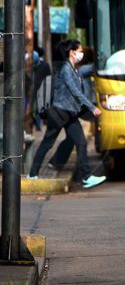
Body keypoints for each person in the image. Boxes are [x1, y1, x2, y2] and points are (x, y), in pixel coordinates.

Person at [27, 40, 106, 189]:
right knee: (47, 143)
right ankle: (32, 174)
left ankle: (86, 177)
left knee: (81, 142)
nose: (81, 53)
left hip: (69, 114)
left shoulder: (72, 69)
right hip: (59, 113)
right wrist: (92, 108)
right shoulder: (65, 69)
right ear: (72, 52)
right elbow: (76, 92)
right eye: (80, 50)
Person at [47, 47, 97, 171]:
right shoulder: (84, 69)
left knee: (72, 137)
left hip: (75, 107)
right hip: (81, 107)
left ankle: (56, 161)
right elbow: (96, 67)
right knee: (103, 119)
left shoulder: (77, 69)